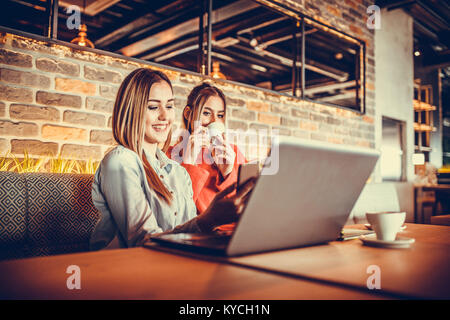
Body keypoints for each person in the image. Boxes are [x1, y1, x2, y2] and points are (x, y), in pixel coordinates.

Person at [89, 68, 253, 250]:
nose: (165, 116)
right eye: (153, 107)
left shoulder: (177, 171)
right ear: (131, 110)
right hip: (126, 268)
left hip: (174, 262)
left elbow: (187, 234)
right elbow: (144, 242)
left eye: (169, 106)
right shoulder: (121, 162)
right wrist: (208, 220)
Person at [168, 83, 247, 217]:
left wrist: (227, 172)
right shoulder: (170, 155)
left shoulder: (232, 152)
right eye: (206, 113)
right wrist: (189, 163)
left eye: (220, 116)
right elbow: (175, 213)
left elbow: (244, 206)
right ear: (188, 114)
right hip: (192, 233)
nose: (214, 122)